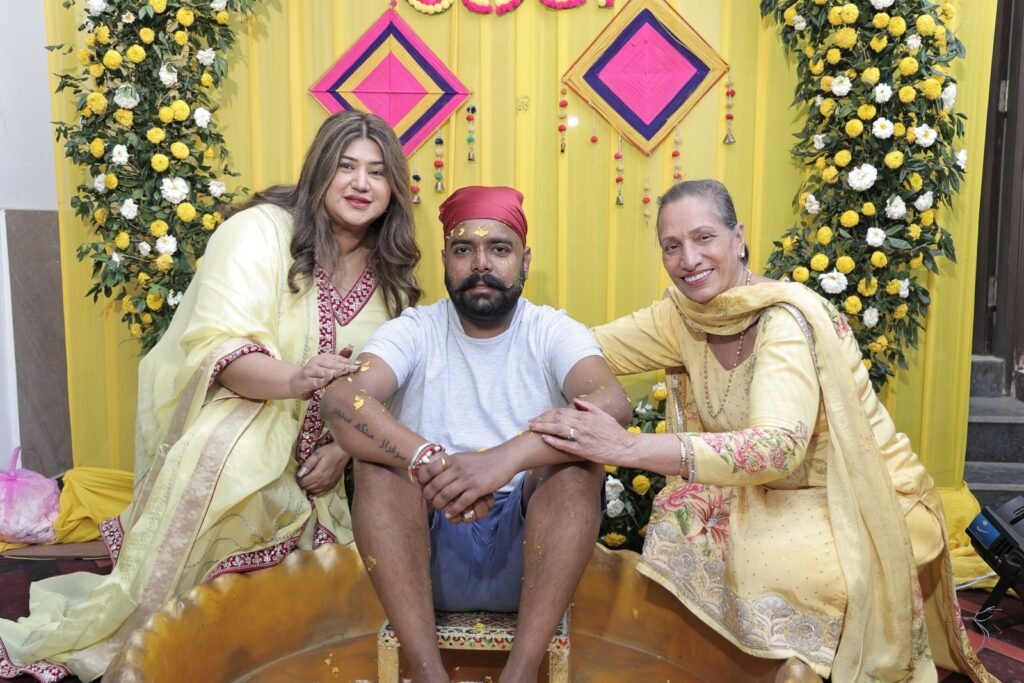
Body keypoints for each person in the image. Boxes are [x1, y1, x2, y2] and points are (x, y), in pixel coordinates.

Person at [0, 110, 421, 682]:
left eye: (377, 172)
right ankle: (174, 642)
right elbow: (218, 348)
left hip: (327, 458)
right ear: (320, 170)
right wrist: (297, 380)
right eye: (346, 166)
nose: (361, 183)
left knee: (310, 620)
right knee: (238, 458)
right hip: (241, 420)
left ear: (394, 188)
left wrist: (342, 449)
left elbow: (390, 385)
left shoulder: (391, 275)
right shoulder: (259, 232)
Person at [529, 179, 993, 682]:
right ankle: (732, 663)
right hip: (770, 495)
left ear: (738, 238)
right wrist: (497, 328)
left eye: (704, 237)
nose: (688, 259)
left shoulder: (785, 322)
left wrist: (628, 446)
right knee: (685, 512)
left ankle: (799, 668)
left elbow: (778, 448)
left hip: (860, 498)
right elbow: (580, 348)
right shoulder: (683, 316)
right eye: (672, 246)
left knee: (771, 561)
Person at [320, 185, 632, 683]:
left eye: (499, 249)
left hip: (533, 558)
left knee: (577, 467)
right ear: (446, 259)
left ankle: (521, 673)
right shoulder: (414, 330)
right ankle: (428, 673)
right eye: (464, 249)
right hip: (423, 554)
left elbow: (611, 404)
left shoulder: (551, 330)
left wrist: (504, 460)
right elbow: (341, 400)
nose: (481, 264)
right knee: (378, 467)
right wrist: (427, 459)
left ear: (524, 260)